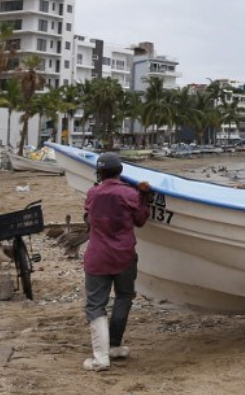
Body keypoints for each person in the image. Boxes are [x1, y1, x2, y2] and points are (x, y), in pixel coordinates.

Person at [82, 152, 152, 371]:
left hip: (97, 257)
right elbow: (140, 220)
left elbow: (87, 217)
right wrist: (145, 198)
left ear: (99, 172)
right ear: (121, 171)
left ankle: (101, 357)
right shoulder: (129, 193)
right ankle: (113, 346)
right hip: (124, 256)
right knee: (124, 297)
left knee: (95, 305)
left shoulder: (93, 193)